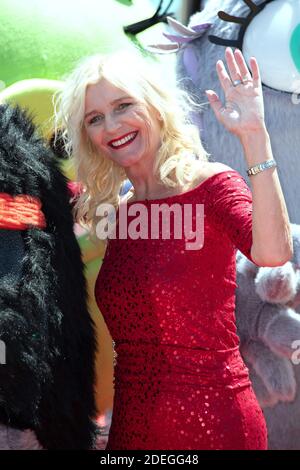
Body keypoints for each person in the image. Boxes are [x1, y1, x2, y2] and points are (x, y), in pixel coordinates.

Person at [54, 47, 292, 450]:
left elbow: (272, 253)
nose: (111, 126)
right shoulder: (118, 212)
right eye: (95, 118)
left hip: (214, 425)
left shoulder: (209, 185)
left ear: (156, 107)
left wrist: (255, 138)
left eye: (123, 106)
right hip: (131, 432)